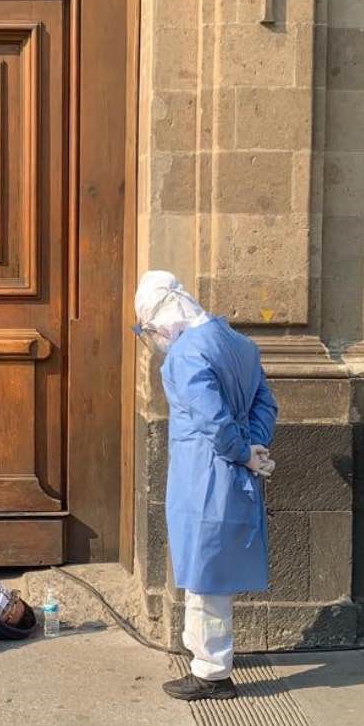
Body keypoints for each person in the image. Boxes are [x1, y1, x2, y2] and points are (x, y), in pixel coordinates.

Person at [133, 270, 278, 701]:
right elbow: (265, 402)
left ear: (162, 319)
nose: (154, 338)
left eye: (150, 330)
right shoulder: (239, 344)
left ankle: (212, 671)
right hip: (232, 471)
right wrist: (254, 445)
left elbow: (210, 417)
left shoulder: (184, 357)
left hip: (205, 473)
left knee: (206, 572)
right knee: (210, 567)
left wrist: (239, 450)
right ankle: (206, 652)